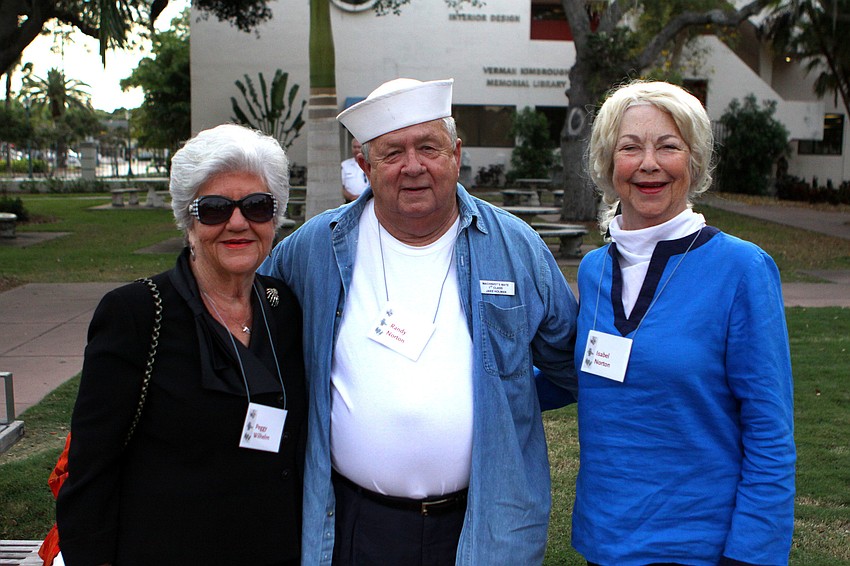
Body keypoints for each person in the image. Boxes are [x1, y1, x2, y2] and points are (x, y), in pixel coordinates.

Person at [260, 77, 578, 565]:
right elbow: (252, 322)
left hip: (482, 525)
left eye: (428, 146)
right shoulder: (313, 249)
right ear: (365, 166)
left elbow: (568, 363)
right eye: (391, 153)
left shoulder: (515, 247)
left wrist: (502, 398)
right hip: (354, 523)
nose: (413, 166)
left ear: (456, 152)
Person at [56, 124, 306, 566]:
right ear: (188, 221)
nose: (237, 222)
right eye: (212, 209)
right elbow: (90, 476)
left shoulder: (282, 305)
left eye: (257, 206)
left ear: (275, 216)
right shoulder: (135, 315)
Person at [571, 80, 796, 565]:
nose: (648, 163)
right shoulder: (594, 269)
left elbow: (770, 433)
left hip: (697, 548)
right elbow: (579, 374)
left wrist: (752, 554)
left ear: (693, 163)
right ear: (609, 164)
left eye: (668, 146)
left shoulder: (741, 269)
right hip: (603, 540)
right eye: (630, 147)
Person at [341, 137, 369, 203]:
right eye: (354, 147)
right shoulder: (345, 165)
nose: (356, 150)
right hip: (350, 202)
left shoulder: (369, 164)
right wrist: (352, 197)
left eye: (359, 147)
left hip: (367, 201)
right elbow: (341, 187)